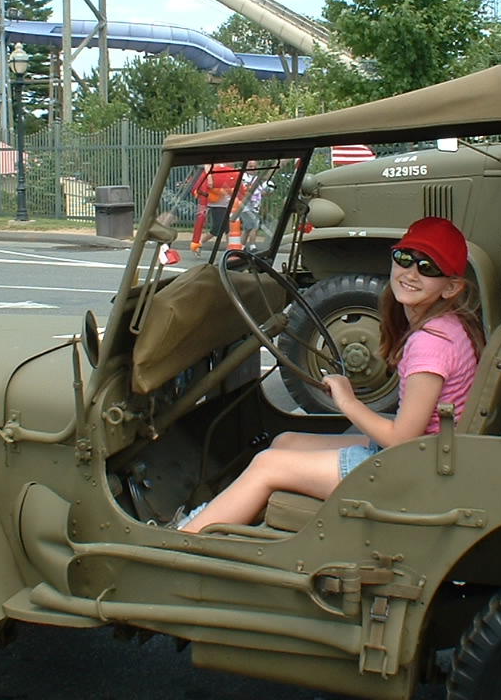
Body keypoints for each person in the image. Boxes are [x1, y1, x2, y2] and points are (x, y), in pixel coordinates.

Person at [180, 216, 484, 532]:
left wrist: (347, 401)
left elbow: (402, 438)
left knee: (266, 466)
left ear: (451, 287)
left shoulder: (430, 344)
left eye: (428, 268)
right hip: (423, 458)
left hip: (412, 472)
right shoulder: (448, 327)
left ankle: (184, 541)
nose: (411, 272)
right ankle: (221, 520)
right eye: (405, 258)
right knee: (284, 442)